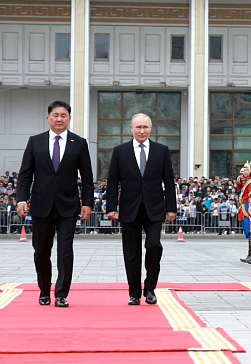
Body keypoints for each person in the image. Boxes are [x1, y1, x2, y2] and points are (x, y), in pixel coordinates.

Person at [16, 100, 94, 307]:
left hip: (68, 205)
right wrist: (22, 199)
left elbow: (87, 176)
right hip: (41, 205)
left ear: (69, 118)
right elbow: (25, 174)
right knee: (41, 250)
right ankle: (43, 290)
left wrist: (88, 203)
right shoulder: (35, 142)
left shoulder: (79, 143)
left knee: (65, 250)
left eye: (64, 116)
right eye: (56, 115)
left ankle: (61, 294)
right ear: (48, 117)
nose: (60, 119)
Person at [106, 113, 177, 306]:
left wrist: (172, 208)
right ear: (131, 128)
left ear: (151, 128)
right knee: (131, 252)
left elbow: (169, 182)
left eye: (145, 127)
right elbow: (112, 181)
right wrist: (111, 207)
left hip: (154, 208)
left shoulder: (161, 151)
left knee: (154, 246)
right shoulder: (120, 151)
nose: (142, 131)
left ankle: (150, 288)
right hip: (129, 209)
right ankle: (134, 293)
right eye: (138, 127)